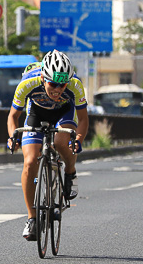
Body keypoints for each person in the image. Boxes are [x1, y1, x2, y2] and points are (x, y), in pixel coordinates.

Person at [7, 50, 88, 241]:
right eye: (53, 84)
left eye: (62, 84)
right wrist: (13, 137)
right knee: (29, 162)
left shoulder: (75, 85)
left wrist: (78, 140)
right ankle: (32, 218)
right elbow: (13, 116)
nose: (58, 89)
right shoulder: (28, 82)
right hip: (36, 112)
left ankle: (70, 171)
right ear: (43, 78)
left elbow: (83, 119)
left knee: (61, 141)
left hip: (64, 113)